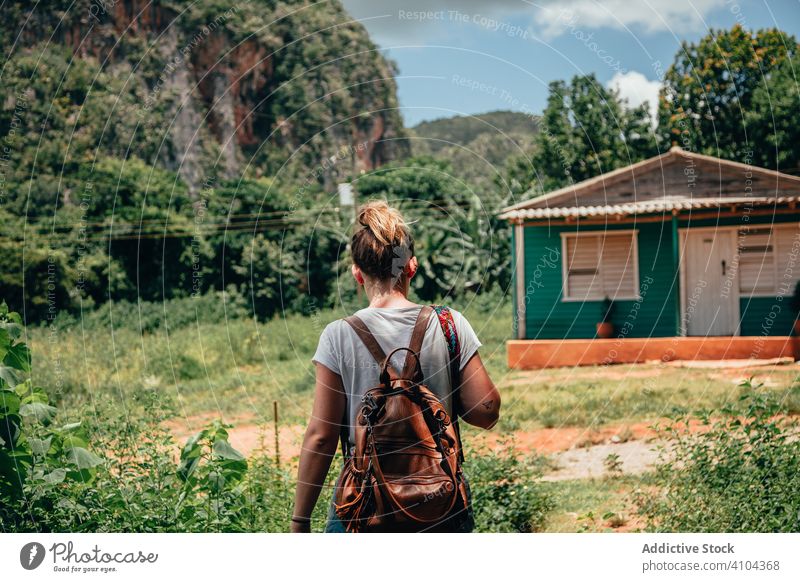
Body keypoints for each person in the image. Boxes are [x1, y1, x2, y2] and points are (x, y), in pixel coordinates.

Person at [290, 200, 500, 533]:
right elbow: (485, 412)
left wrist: (300, 520)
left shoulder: (338, 336)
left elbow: (321, 438)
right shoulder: (450, 324)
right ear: (412, 267)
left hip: (365, 506)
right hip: (439, 505)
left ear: (357, 273)